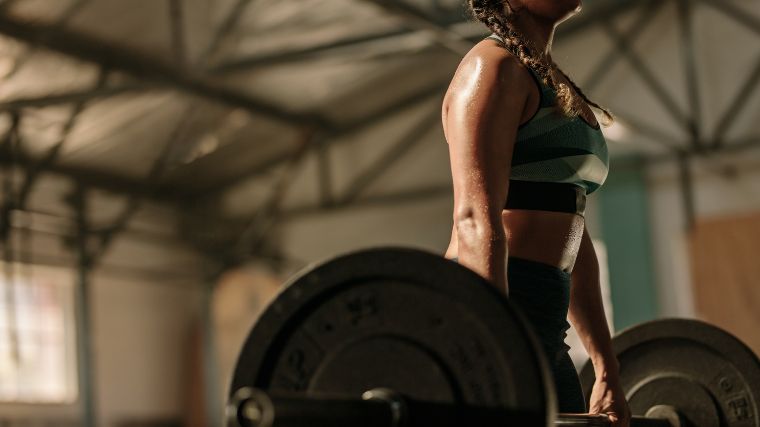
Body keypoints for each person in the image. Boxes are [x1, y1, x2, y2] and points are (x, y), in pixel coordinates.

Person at [441, 1, 631, 425]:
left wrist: (606, 367)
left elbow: (573, 237)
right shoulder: (491, 68)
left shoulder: (548, 77)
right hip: (496, 308)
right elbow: (474, 218)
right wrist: (496, 348)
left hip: (544, 317)